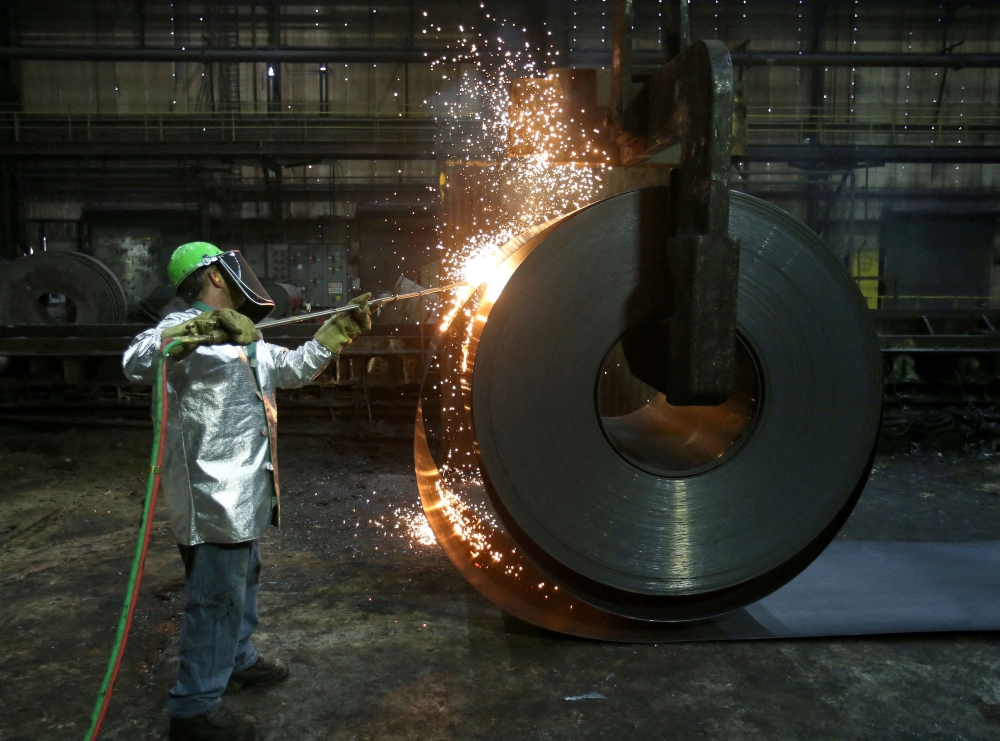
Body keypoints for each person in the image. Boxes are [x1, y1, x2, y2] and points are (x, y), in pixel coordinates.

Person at [123, 242, 371, 741]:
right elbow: (136, 360)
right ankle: (193, 708)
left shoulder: (247, 340)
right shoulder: (175, 337)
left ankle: (236, 659)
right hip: (209, 496)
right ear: (214, 276)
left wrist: (335, 332)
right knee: (215, 598)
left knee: (242, 581)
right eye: (228, 272)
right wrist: (197, 329)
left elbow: (295, 369)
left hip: (246, 490)